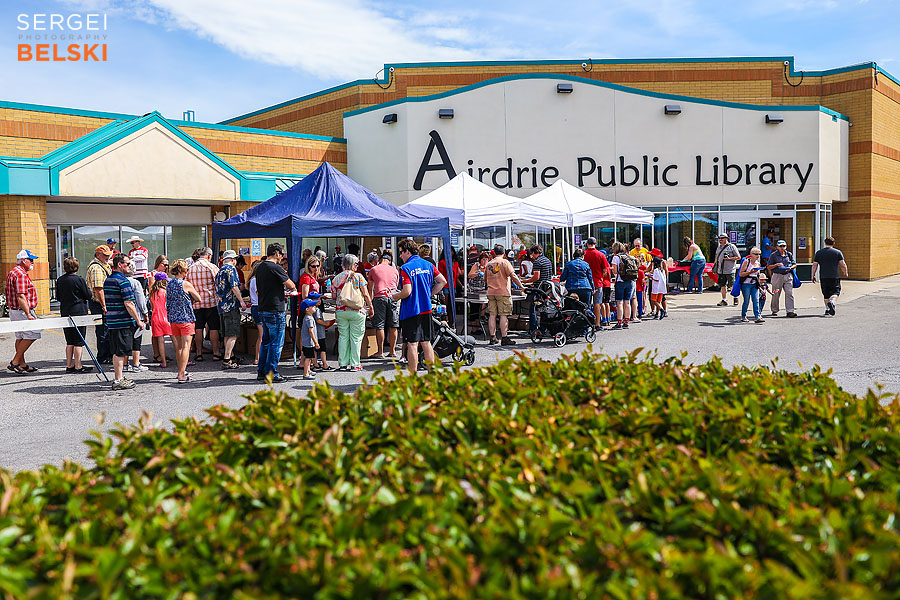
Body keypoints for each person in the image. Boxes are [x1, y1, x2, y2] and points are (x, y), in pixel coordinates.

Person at [392, 239, 447, 374]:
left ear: (407, 252)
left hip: (411, 310)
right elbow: (442, 281)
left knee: (412, 343)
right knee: (426, 342)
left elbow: (407, 291)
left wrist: (396, 296)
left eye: (401, 253)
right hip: (426, 308)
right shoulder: (427, 264)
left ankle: (413, 376)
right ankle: (431, 373)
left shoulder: (406, 268)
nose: (400, 256)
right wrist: (429, 293)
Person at [103, 254, 145, 390]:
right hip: (122, 321)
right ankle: (118, 379)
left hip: (112, 321)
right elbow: (129, 304)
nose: (130, 266)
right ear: (120, 265)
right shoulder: (123, 281)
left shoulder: (108, 280)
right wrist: (139, 321)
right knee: (121, 352)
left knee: (117, 351)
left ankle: (118, 376)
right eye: (127, 264)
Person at [256, 243, 296, 382]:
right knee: (276, 344)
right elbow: (291, 284)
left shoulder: (260, 267)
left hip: (263, 307)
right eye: (282, 254)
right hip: (275, 309)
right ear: (277, 253)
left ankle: (262, 371)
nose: (282, 257)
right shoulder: (275, 267)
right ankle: (271, 372)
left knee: (266, 342)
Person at [331, 254, 374, 371]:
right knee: (356, 338)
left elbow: (334, 296)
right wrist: (370, 307)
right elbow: (365, 294)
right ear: (352, 265)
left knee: (343, 337)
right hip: (357, 311)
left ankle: (343, 363)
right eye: (356, 264)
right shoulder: (359, 277)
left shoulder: (336, 278)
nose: (357, 266)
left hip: (341, 311)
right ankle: (355, 364)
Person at [5, 249, 41, 375]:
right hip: (22, 311)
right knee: (34, 333)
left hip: (15, 310)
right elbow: (21, 296)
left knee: (20, 337)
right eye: (30, 260)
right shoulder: (20, 274)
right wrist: (28, 314)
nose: (32, 263)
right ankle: (15, 362)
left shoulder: (14, 271)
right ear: (23, 260)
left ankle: (22, 364)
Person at [56, 256, 93, 374]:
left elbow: (58, 297)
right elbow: (88, 295)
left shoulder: (60, 280)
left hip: (65, 311)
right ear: (76, 267)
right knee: (78, 341)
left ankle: (69, 365)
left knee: (69, 340)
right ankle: (78, 365)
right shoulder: (79, 280)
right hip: (79, 311)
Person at [166, 259, 200, 383]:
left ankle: (181, 370)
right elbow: (198, 297)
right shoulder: (185, 284)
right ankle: (181, 374)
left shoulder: (169, 283)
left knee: (179, 347)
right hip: (186, 318)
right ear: (183, 270)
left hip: (173, 318)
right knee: (186, 347)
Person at [185, 247, 222, 362]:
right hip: (211, 302)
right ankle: (216, 352)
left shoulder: (190, 268)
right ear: (209, 256)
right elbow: (219, 283)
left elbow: (187, 284)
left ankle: (199, 353)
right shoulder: (212, 267)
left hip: (196, 303)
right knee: (214, 328)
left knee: (198, 329)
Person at [484, 244, 525, 346]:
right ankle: (504, 338)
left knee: (492, 315)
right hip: (503, 292)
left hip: (491, 292)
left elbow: (485, 278)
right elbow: (513, 275)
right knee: (503, 315)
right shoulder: (505, 262)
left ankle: (492, 337)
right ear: (504, 253)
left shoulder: (489, 263)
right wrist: (521, 287)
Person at [215, 250, 248, 370]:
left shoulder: (220, 270)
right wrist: (242, 301)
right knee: (233, 333)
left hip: (221, 306)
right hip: (231, 305)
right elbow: (234, 287)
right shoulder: (231, 270)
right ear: (233, 260)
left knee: (226, 334)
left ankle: (231, 356)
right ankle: (227, 359)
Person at [367, 251, 401, 358]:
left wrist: (370, 304)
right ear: (390, 262)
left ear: (380, 260)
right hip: (393, 297)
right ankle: (392, 351)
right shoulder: (395, 270)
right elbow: (396, 285)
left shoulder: (374, 269)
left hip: (379, 297)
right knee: (393, 325)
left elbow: (370, 288)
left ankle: (380, 352)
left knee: (380, 326)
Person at [85, 245, 114, 364]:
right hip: (98, 303)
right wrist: (104, 305)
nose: (108, 257)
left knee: (104, 329)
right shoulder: (97, 268)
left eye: (109, 255)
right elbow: (99, 288)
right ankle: (103, 356)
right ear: (98, 255)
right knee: (103, 330)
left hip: (99, 303)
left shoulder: (101, 265)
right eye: (105, 255)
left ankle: (105, 355)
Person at [812, 236, 848, 316]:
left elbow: (814, 265)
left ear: (825, 243)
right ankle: (832, 302)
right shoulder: (837, 252)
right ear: (834, 243)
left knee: (826, 294)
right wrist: (845, 272)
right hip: (834, 276)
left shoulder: (819, 253)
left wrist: (812, 275)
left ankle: (827, 309)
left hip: (824, 277)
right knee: (836, 292)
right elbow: (843, 264)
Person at [125, 261, 150, 374]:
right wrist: (145, 313)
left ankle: (125, 364)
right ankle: (136, 364)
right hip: (136, 315)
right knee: (136, 340)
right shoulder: (135, 283)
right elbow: (141, 300)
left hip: (123, 316)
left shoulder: (120, 281)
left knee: (126, 341)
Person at [523, 244, 553, 335]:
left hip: (538, 289)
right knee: (543, 309)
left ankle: (533, 330)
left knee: (533, 310)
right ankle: (543, 329)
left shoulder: (537, 262)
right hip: (546, 289)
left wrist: (526, 281)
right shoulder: (547, 260)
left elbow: (536, 276)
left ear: (533, 252)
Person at [583, 237, 611, 329]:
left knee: (585, 304)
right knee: (597, 304)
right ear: (595, 244)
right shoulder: (600, 255)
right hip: (598, 282)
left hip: (585, 282)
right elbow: (605, 270)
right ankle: (597, 324)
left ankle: (586, 324)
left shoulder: (584, 254)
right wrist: (601, 278)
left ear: (587, 244)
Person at [766, 240, 798, 318]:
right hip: (777, 275)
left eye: (784, 246)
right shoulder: (773, 255)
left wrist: (791, 267)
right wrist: (777, 265)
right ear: (777, 247)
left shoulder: (789, 254)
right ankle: (775, 309)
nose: (782, 248)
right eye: (780, 246)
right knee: (776, 294)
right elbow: (769, 266)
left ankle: (790, 311)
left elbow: (795, 264)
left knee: (789, 293)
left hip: (787, 275)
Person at [610, 242, 637, 329]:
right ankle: (626, 322)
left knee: (619, 303)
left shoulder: (616, 257)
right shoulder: (629, 256)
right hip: (630, 282)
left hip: (620, 282)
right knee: (627, 302)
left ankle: (619, 322)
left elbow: (614, 271)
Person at [149, 272, 173, 367]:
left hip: (155, 318)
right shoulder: (165, 292)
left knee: (160, 341)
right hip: (166, 317)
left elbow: (152, 306)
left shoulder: (152, 293)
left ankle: (163, 362)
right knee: (174, 338)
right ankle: (181, 359)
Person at [738, 247, 765, 324]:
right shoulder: (746, 262)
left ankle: (757, 316)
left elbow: (758, 274)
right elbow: (741, 273)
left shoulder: (758, 263)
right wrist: (750, 272)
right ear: (751, 254)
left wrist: (761, 282)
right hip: (746, 284)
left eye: (759, 254)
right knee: (746, 301)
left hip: (754, 284)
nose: (758, 256)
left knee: (756, 300)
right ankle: (743, 316)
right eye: (756, 254)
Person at [713, 233, 740, 307]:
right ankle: (724, 300)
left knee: (732, 285)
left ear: (726, 239)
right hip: (720, 270)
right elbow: (716, 257)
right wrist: (715, 264)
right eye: (719, 238)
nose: (720, 240)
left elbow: (738, 257)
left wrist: (729, 259)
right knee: (722, 285)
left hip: (730, 270)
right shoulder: (718, 247)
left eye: (722, 238)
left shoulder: (732, 247)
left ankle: (735, 298)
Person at [310, 291, 333, 371]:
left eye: (320, 299)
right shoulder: (317, 310)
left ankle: (315, 363)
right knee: (323, 349)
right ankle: (325, 364)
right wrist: (326, 323)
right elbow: (318, 320)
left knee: (315, 349)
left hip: (316, 333)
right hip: (320, 333)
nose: (319, 301)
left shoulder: (311, 310)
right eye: (317, 299)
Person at [299, 298, 320, 381]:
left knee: (309, 357)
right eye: (312, 306)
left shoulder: (308, 317)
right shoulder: (309, 319)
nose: (315, 307)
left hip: (306, 342)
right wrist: (316, 342)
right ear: (307, 309)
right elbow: (311, 331)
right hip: (309, 342)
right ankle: (306, 374)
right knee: (308, 358)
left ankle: (308, 370)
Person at [247, 259, 263, 366]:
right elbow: (259, 293)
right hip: (259, 307)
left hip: (255, 307)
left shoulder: (253, 279)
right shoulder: (257, 280)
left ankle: (258, 357)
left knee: (261, 334)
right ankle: (258, 358)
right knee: (262, 335)